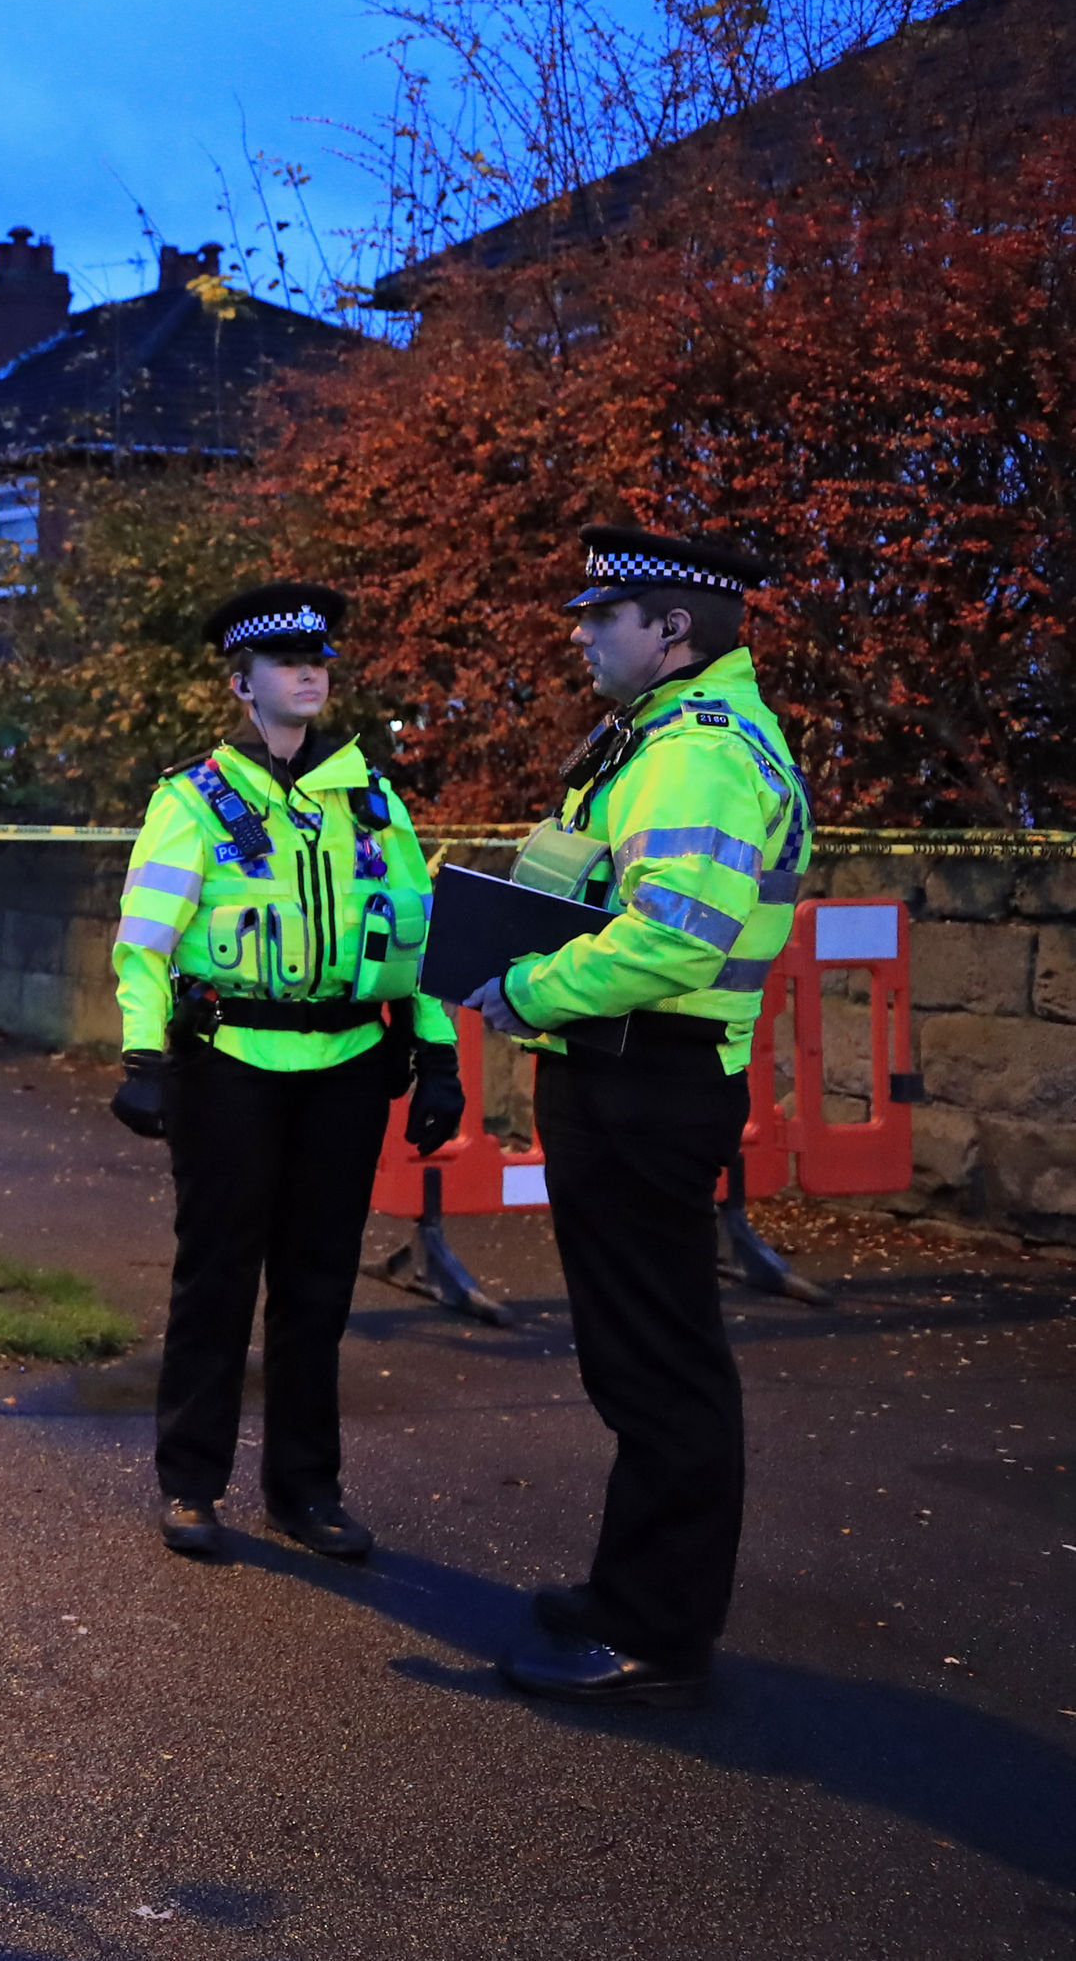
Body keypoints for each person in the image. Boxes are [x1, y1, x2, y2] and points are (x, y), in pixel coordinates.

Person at [466, 525, 807, 1710]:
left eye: (598, 613)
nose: (578, 632)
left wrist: (520, 990)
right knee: (636, 1354)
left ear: (669, 626)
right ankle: (628, 1595)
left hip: (647, 1079)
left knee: (658, 1363)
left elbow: (670, 936)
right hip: (626, 1072)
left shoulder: (697, 753)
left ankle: (656, 1631)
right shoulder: (657, 738)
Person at [108, 581, 464, 1561]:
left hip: (348, 1066)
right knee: (215, 1279)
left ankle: (305, 1491)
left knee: (316, 1288)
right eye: (284, 660)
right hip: (229, 1066)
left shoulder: (373, 799)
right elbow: (144, 945)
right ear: (240, 681)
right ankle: (189, 1484)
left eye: (318, 658)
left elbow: (420, 936)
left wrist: (435, 1051)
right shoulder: (190, 800)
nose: (308, 670)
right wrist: (141, 1054)